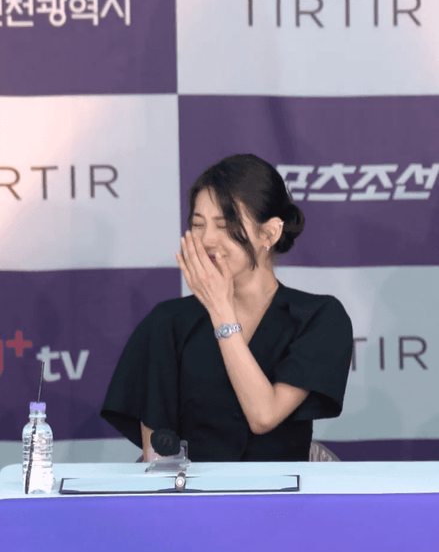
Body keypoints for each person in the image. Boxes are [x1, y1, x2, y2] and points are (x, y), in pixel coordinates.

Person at [101, 154, 353, 462]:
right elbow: (157, 455)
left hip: (281, 491)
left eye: (225, 224)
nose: (207, 239)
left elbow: (264, 415)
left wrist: (221, 310)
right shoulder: (168, 322)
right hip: (189, 492)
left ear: (269, 233)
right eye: (198, 224)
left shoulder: (317, 317)